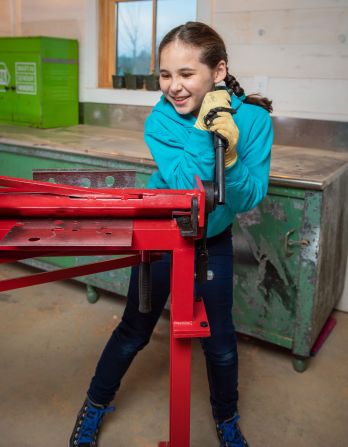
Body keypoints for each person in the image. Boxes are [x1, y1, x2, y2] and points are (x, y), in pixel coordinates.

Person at [69, 21, 273, 447]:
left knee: (219, 343)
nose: (173, 87)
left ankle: (227, 419)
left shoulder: (254, 121)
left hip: (211, 243)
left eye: (185, 74)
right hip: (162, 236)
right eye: (165, 75)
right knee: (133, 332)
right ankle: (94, 403)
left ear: (218, 72)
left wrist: (230, 157)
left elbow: (247, 197)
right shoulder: (160, 121)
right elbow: (186, 188)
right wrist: (206, 134)